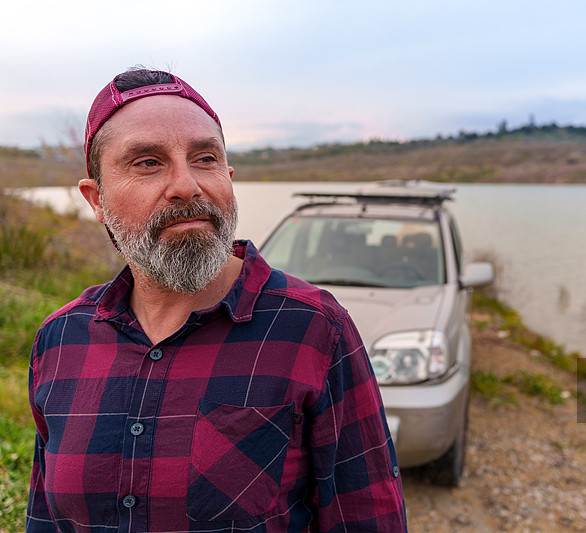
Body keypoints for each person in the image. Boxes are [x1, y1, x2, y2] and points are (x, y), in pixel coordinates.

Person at [26, 68, 407, 533]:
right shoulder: (60, 340)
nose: (187, 185)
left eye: (204, 158)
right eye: (148, 162)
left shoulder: (314, 329)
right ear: (96, 199)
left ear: (227, 177)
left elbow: (368, 518)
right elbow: (45, 519)